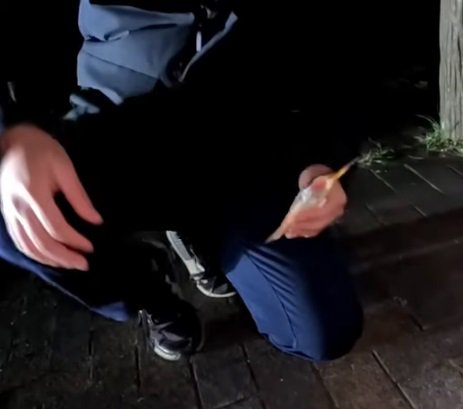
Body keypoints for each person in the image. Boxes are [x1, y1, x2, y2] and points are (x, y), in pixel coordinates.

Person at [0, 0, 365, 362]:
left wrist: (324, 161)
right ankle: (151, 295)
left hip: (248, 134)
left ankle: (201, 234)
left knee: (322, 336)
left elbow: (340, 52)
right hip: (118, 122)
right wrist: (12, 132)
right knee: (10, 213)